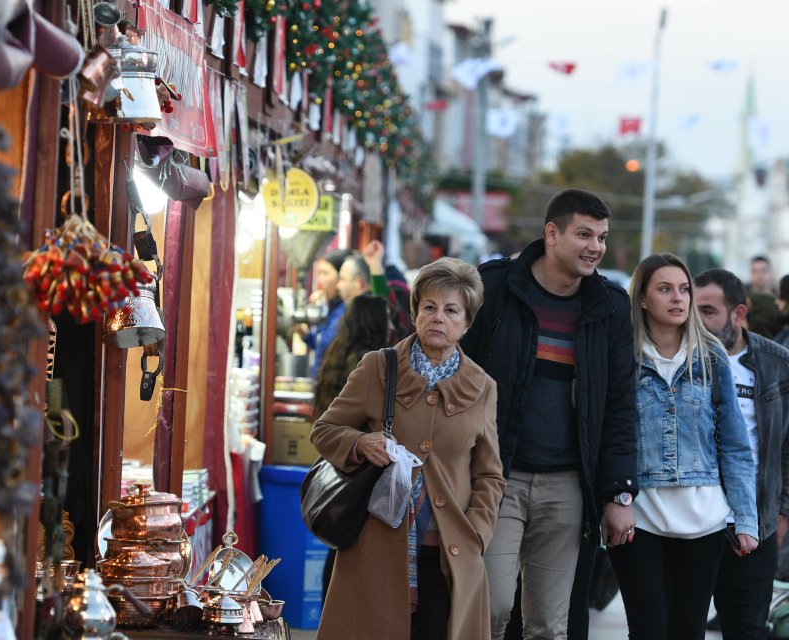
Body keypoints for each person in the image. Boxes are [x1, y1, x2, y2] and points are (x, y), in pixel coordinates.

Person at [459, 188, 638, 640]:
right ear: (552, 233)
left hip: (568, 485)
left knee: (549, 625)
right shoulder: (495, 286)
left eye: (601, 236)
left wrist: (619, 494)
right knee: (492, 609)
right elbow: (453, 374)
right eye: (584, 234)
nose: (595, 246)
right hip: (496, 476)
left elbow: (619, 404)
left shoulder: (610, 307)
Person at [311, 258, 505, 639]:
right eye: (430, 307)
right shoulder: (377, 368)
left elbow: (489, 474)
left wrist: (477, 533)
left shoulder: (482, 387)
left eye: (451, 311)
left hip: (449, 553)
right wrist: (361, 443)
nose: (438, 318)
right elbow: (325, 429)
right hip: (377, 547)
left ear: (466, 324)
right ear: (415, 312)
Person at [610, 254, 758, 640]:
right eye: (664, 289)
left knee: (688, 631)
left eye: (683, 289)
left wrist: (745, 518)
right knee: (648, 630)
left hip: (704, 520)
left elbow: (735, 444)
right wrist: (614, 498)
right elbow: (610, 433)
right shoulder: (622, 356)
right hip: (638, 516)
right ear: (642, 298)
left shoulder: (711, 357)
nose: (678, 298)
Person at [694, 268, 789, 638]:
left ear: (738, 314)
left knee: (747, 629)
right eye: (692, 311)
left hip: (754, 523)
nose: (697, 322)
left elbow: (786, 446)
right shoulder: (680, 358)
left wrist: (781, 515)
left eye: (708, 311)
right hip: (691, 521)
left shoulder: (776, 364)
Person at [312, 295, 397, 597]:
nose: (390, 324)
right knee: (347, 547)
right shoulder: (372, 365)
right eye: (386, 316)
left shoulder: (337, 353)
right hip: (358, 469)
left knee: (338, 541)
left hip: (338, 466)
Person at [304, 249, 351, 377]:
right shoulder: (332, 307)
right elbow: (319, 344)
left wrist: (323, 308)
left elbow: (328, 345)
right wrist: (304, 335)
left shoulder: (346, 310)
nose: (321, 279)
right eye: (319, 273)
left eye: (325, 273)